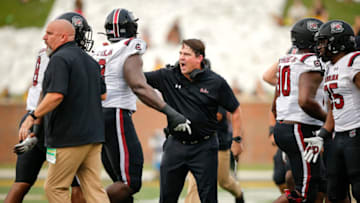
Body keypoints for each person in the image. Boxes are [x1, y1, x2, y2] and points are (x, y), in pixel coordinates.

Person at [91, 8, 191, 203]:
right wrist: (169, 112)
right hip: (115, 113)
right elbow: (138, 85)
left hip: (96, 115)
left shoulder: (100, 50)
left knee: (120, 184)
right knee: (130, 183)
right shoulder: (129, 47)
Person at [5, 12, 95, 203]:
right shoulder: (63, 56)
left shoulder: (48, 52)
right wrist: (37, 125)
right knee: (76, 185)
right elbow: (52, 93)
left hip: (35, 118)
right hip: (55, 124)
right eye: (80, 32)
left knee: (21, 183)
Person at [145, 38, 243, 203]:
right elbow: (138, 79)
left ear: (199, 58)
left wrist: (237, 140)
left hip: (204, 148)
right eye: (181, 53)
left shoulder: (215, 82)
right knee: (167, 198)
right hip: (175, 145)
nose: (182, 58)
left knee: (208, 199)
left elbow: (235, 110)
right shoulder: (167, 76)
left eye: (187, 54)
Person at [304, 19, 360, 202]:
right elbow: (332, 110)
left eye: (323, 42)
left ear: (338, 42)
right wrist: (322, 134)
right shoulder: (330, 67)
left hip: (356, 134)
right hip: (339, 136)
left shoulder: (354, 62)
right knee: (334, 193)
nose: (319, 47)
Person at [271, 18, 326, 203]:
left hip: (284, 125)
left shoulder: (286, 60)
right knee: (306, 192)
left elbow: (274, 103)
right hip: (299, 128)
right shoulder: (311, 61)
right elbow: (304, 101)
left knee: (302, 186)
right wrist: (328, 120)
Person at [184, 106, 245, 203]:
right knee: (195, 181)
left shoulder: (216, 92)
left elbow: (218, 115)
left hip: (219, 145)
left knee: (224, 182)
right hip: (198, 144)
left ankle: (239, 193)